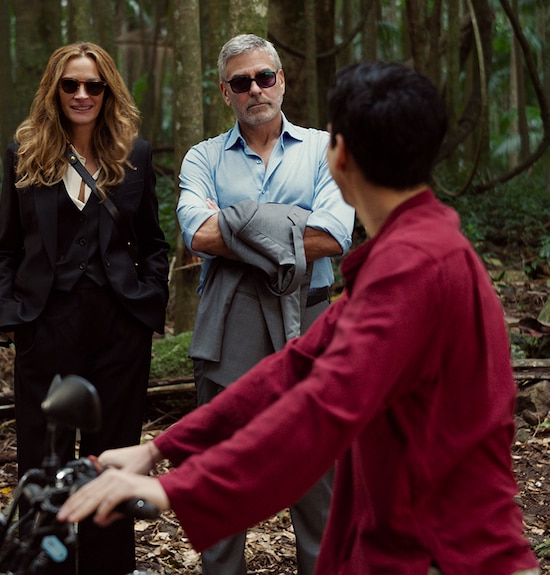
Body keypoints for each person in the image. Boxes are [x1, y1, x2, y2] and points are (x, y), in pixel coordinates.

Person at [58, 61, 542, 575]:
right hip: (398, 551)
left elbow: (324, 408)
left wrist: (171, 489)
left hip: (453, 559)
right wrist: (159, 451)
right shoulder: (407, 253)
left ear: (339, 156)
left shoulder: (417, 266)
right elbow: (296, 368)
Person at [0, 42, 170, 575]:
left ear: (107, 91)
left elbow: (154, 244)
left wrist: (147, 305)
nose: (82, 94)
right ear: (55, 90)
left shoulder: (134, 154)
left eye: (94, 85)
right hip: (46, 328)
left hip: (120, 331)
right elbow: (5, 250)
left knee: (110, 463)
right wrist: (14, 321)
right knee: (42, 468)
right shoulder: (25, 153)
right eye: (71, 85)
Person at [175, 33, 354, 575]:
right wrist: (289, 225)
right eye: (241, 82)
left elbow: (333, 236)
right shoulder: (202, 156)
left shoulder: (327, 149)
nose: (255, 89)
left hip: (315, 319)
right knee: (221, 468)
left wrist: (239, 220)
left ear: (282, 80)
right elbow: (197, 236)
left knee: (318, 473)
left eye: (264, 77)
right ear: (225, 92)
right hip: (228, 325)